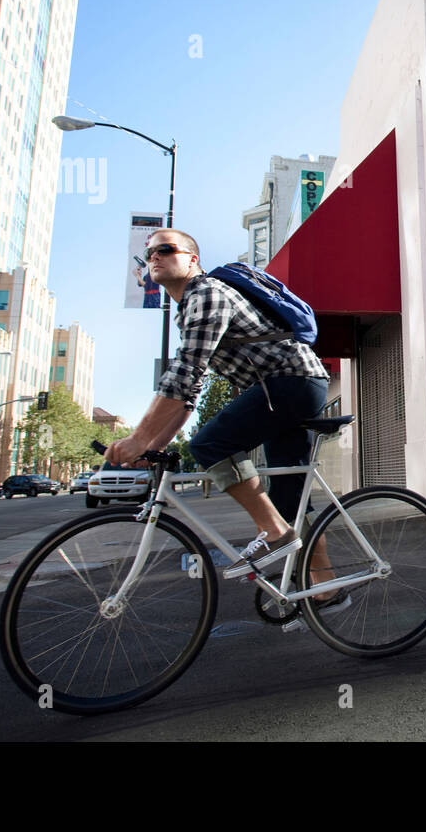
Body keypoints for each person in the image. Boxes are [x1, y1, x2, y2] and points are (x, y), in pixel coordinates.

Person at [105, 228, 345, 605]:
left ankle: (274, 533)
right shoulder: (188, 310)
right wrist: (155, 445)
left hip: (290, 382)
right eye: (149, 253)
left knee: (210, 445)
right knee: (289, 500)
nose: (154, 256)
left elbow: (184, 372)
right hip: (282, 387)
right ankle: (327, 590)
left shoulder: (207, 293)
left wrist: (138, 438)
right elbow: (191, 393)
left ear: (192, 260)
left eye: (166, 249)